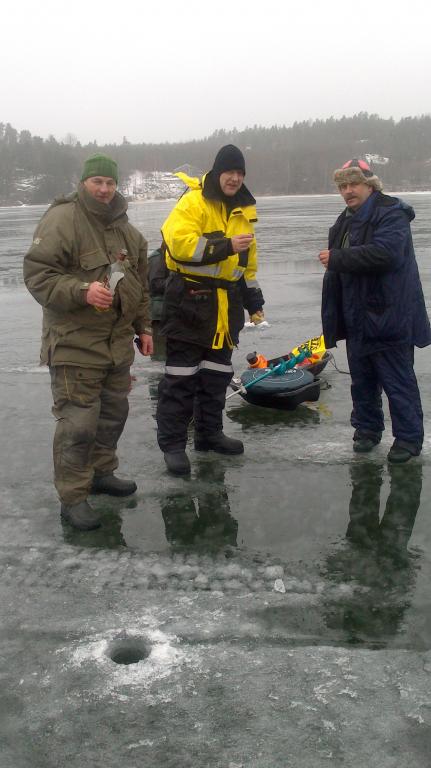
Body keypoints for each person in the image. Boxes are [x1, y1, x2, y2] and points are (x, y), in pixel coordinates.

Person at [24, 154, 153, 531]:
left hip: (116, 347)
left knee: (113, 416)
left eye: (110, 183)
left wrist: (145, 328)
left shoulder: (127, 232)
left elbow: (140, 286)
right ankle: (73, 498)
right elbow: (38, 275)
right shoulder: (62, 219)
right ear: (84, 183)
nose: (104, 189)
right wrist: (82, 290)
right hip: (74, 344)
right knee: (78, 425)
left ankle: (101, 473)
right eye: (97, 181)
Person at [156, 144, 265, 476]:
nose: (234, 178)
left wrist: (254, 302)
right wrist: (225, 245)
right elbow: (179, 244)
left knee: (216, 375)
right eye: (229, 172)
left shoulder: (243, 211)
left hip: (225, 307)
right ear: (217, 173)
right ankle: (174, 446)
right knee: (181, 379)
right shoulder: (193, 202)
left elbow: (246, 267)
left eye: (240, 173)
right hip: (189, 302)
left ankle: (209, 435)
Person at [319, 158, 431, 463]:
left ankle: (408, 439)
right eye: (342, 186)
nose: (348, 191)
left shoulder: (391, 213)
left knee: (398, 380)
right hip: (357, 316)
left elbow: (387, 254)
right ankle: (367, 430)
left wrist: (338, 258)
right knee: (362, 380)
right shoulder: (345, 219)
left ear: (370, 184)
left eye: (354, 184)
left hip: (389, 315)